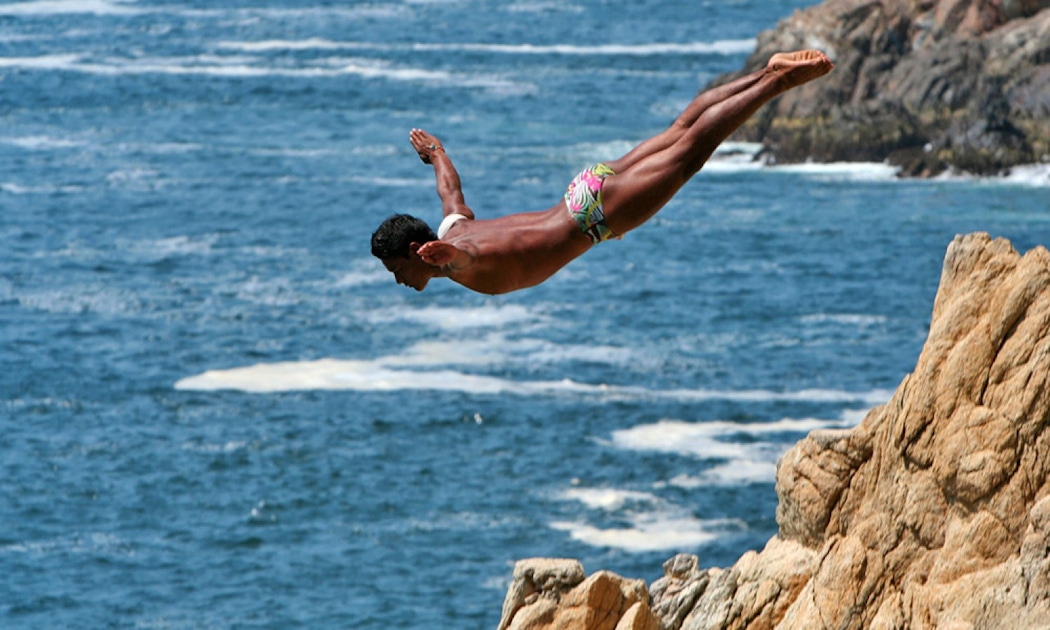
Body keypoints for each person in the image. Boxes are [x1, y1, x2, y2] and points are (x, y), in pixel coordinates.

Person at [371, 50, 833, 295]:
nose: (399, 280)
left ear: (420, 251)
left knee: (693, 149)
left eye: (397, 269)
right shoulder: (456, 224)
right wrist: (435, 151)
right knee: (680, 130)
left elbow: (464, 258)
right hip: (581, 190)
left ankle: (778, 80)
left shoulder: (454, 258)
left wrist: (445, 255)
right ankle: (765, 72)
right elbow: (450, 191)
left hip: (595, 219)